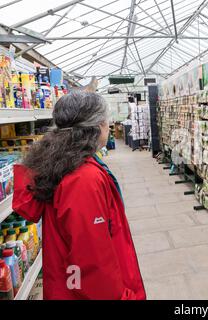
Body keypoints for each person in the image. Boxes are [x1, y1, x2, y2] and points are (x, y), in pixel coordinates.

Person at [12, 92, 146, 300]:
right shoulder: (83, 179)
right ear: (96, 126)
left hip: (68, 287)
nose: (109, 127)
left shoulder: (63, 163)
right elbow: (92, 259)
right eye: (106, 121)